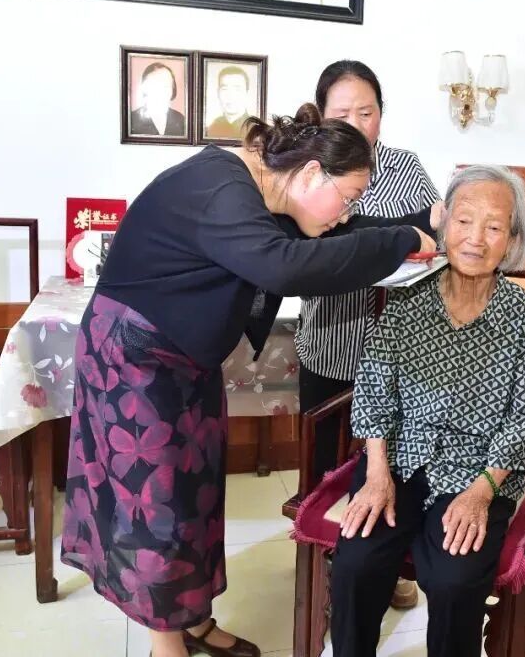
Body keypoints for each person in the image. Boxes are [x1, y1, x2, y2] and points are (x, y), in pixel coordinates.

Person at [60, 103, 440, 657]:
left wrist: (417, 228)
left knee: (196, 495)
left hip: (184, 358)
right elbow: (287, 265)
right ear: (311, 174)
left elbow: (342, 233)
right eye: (349, 197)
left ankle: (193, 621)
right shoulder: (221, 186)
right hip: (134, 358)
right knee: (156, 506)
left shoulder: (270, 193)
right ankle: (166, 646)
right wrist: (397, 239)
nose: (347, 212)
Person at [329, 165, 525, 657]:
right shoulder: (407, 300)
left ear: (512, 240)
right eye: (464, 220)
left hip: (480, 471)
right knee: (356, 563)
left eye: (493, 226)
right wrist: (376, 471)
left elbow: (524, 420)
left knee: (453, 580)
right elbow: (374, 388)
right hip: (399, 458)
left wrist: (482, 492)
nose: (475, 238)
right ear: (444, 223)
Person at [295, 60, 440, 609]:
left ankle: (388, 560)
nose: (357, 124)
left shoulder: (405, 166)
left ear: (382, 114)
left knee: (393, 463)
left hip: (400, 353)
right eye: (342, 114)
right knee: (326, 465)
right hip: (330, 342)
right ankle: (327, 562)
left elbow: (436, 235)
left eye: (367, 112)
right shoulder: (309, 170)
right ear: (320, 118)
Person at [130, 61, 187, 137]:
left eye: (166, 85)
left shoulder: (180, 119)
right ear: (145, 88)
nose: (162, 91)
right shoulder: (131, 119)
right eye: (156, 85)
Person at [207, 65, 252, 139]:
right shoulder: (210, 129)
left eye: (237, 89)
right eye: (224, 89)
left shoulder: (256, 130)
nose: (230, 96)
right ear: (218, 93)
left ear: (247, 93)